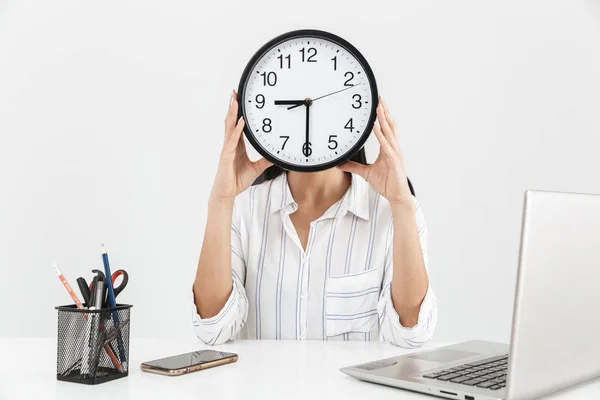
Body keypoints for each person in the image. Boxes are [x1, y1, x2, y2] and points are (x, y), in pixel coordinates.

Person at [192, 91, 437, 347]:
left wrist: (401, 204)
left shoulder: (392, 212)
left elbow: (412, 334)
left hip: (350, 389)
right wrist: (221, 200)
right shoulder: (244, 209)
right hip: (259, 388)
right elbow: (212, 328)